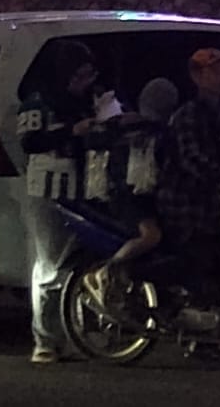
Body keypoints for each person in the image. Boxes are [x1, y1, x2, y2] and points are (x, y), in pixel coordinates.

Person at [155, 48, 220, 363]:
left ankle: (205, 335)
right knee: (205, 269)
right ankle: (198, 340)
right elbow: (192, 160)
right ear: (196, 77)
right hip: (184, 205)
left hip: (208, 206)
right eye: (214, 72)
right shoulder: (189, 115)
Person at [17, 39, 112, 366]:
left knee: (78, 265)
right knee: (49, 267)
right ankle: (45, 341)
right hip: (47, 189)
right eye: (79, 76)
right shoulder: (38, 102)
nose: (84, 82)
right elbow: (30, 142)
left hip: (81, 189)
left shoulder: (86, 102)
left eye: (89, 75)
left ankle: (72, 336)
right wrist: (73, 131)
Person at [81, 77, 180, 310]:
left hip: (140, 196)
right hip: (128, 198)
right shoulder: (141, 129)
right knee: (151, 236)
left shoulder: (140, 126)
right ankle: (107, 271)